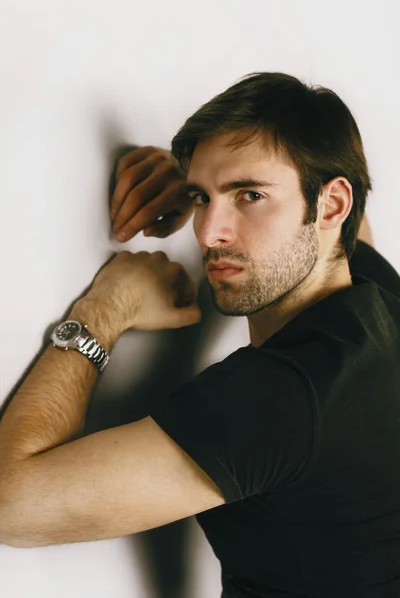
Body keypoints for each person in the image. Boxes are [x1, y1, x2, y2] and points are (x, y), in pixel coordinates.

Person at [0, 72, 399, 598]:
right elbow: (357, 217)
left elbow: (12, 508)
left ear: (330, 206)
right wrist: (207, 177)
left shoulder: (281, 396)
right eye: (201, 200)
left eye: (250, 195)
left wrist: (103, 311)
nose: (210, 234)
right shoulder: (379, 300)